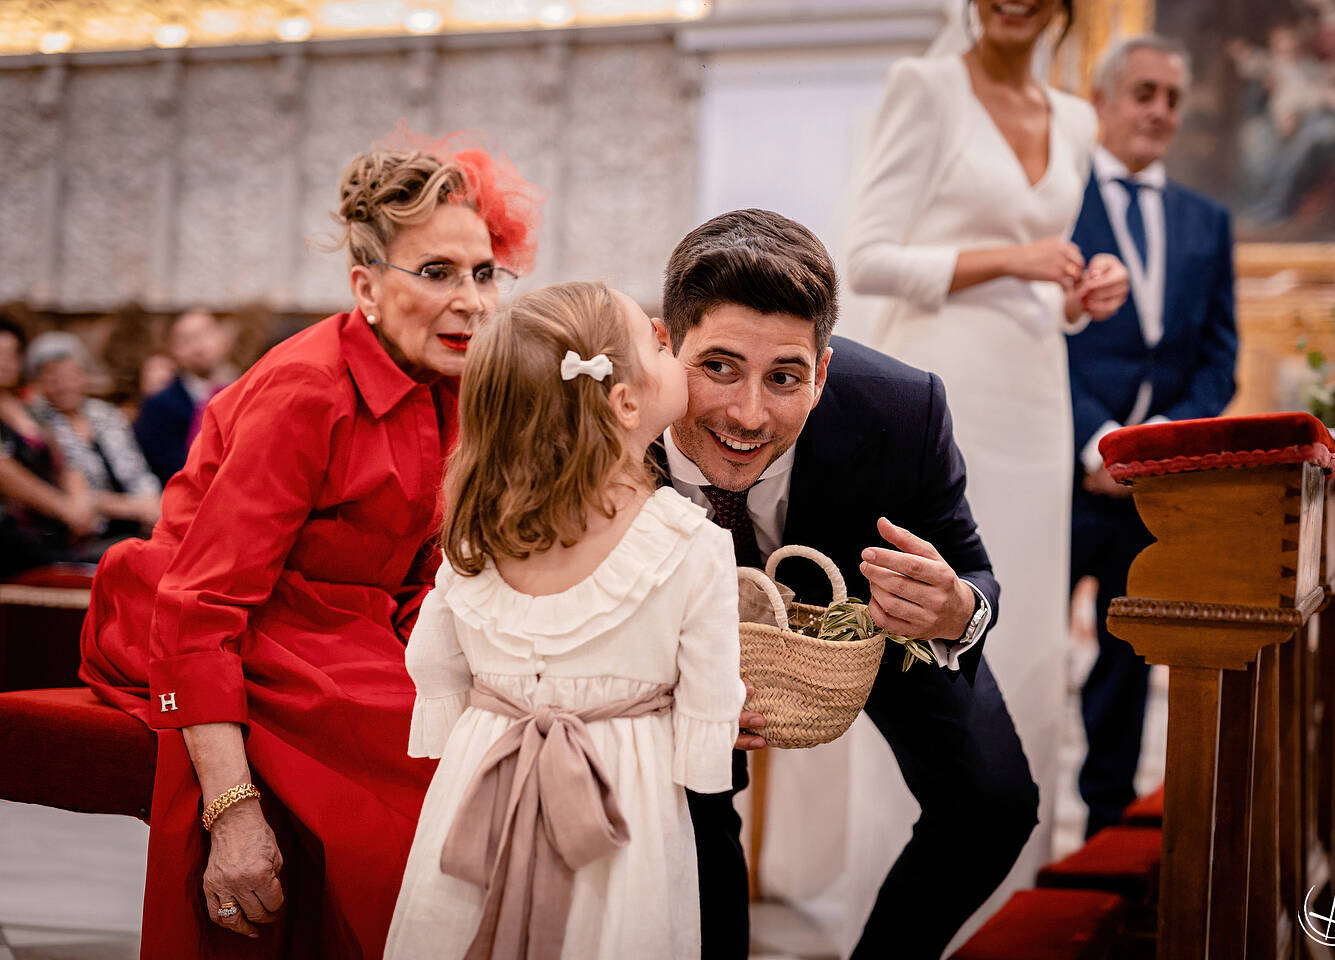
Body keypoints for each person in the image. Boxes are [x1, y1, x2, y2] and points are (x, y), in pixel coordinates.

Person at [78, 130, 543, 958]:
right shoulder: (306, 390)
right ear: (366, 286)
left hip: (343, 634)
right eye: (437, 272)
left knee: (497, 746)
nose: (472, 300)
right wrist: (232, 814)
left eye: (484, 273)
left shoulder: (458, 388)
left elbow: (433, 581)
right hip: (219, 620)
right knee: (418, 798)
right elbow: (200, 603)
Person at [660, 208, 1035, 960]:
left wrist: (955, 606)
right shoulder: (601, 412)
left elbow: (971, 569)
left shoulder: (903, 407)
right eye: (719, 367)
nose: (748, 413)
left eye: (786, 377)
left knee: (993, 804)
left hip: (865, 618)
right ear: (665, 348)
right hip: (673, 646)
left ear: (824, 372)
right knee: (692, 814)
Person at [845, 0, 1130, 910]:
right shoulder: (922, 87)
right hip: (943, 384)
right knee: (928, 613)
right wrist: (1015, 257)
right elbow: (869, 258)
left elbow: (1047, 280)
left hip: (1036, 391)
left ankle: (1013, 894)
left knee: (1030, 617)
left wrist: (1083, 293)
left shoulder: (1079, 119)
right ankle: (911, 875)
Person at [386, 281, 745, 959]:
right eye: (653, 341)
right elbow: (712, 689)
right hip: (620, 802)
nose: (668, 345)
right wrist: (705, 743)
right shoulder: (690, 542)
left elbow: (433, 658)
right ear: (626, 401)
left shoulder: (479, 532)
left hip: (485, 777)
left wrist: (458, 722)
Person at [1069, 36, 1239, 837]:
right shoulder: (1058, 204)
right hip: (1062, 471)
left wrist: (1159, 445)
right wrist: (1096, 442)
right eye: (1143, 92)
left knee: (1127, 663)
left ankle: (1106, 828)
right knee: (1022, 644)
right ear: (1102, 102)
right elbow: (1039, 339)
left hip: (1155, 489)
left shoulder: (1208, 222)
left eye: (1171, 98)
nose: (1159, 112)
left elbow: (1217, 356)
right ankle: (1015, 814)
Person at [26, 331, 162, 538]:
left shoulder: (106, 414)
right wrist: (135, 508)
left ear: (83, 375)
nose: (65, 385)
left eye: (72, 375)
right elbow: (74, 494)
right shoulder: (36, 423)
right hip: (88, 531)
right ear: (39, 382)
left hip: (140, 518)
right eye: (54, 377)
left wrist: (152, 503)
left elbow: (137, 470)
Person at [0, 314, 100, 574]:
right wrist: (64, 508)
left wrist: (79, 503)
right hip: (14, 532)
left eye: (12, 355)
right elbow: (6, 474)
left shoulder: (32, 408)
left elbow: (66, 458)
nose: (5, 363)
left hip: (56, 526)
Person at [134, 308, 236, 484]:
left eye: (206, 334)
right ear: (173, 350)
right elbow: (173, 471)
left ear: (222, 338)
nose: (200, 346)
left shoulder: (243, 389)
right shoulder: (159, 406)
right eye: (187, 340)